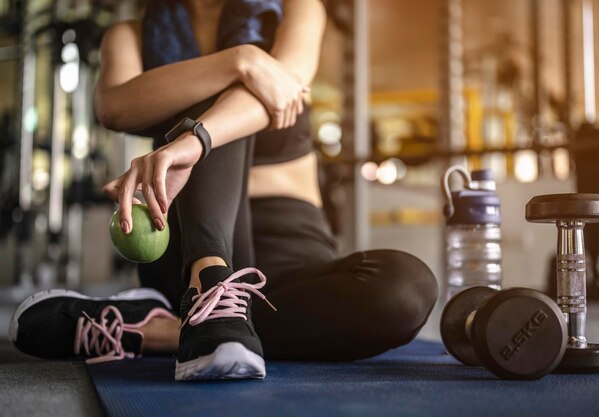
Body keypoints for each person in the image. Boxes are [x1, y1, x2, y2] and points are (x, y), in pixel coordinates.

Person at [9, 0, 438, 381]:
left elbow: (284, 87)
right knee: (206, 90)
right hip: (184, 253)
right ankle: (209, 284)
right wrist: (241, 61)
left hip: (291, 262)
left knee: (407, 290)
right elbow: (115, 107)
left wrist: (195, 139)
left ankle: (161, 330)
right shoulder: (130, 35)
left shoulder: (297, 8)